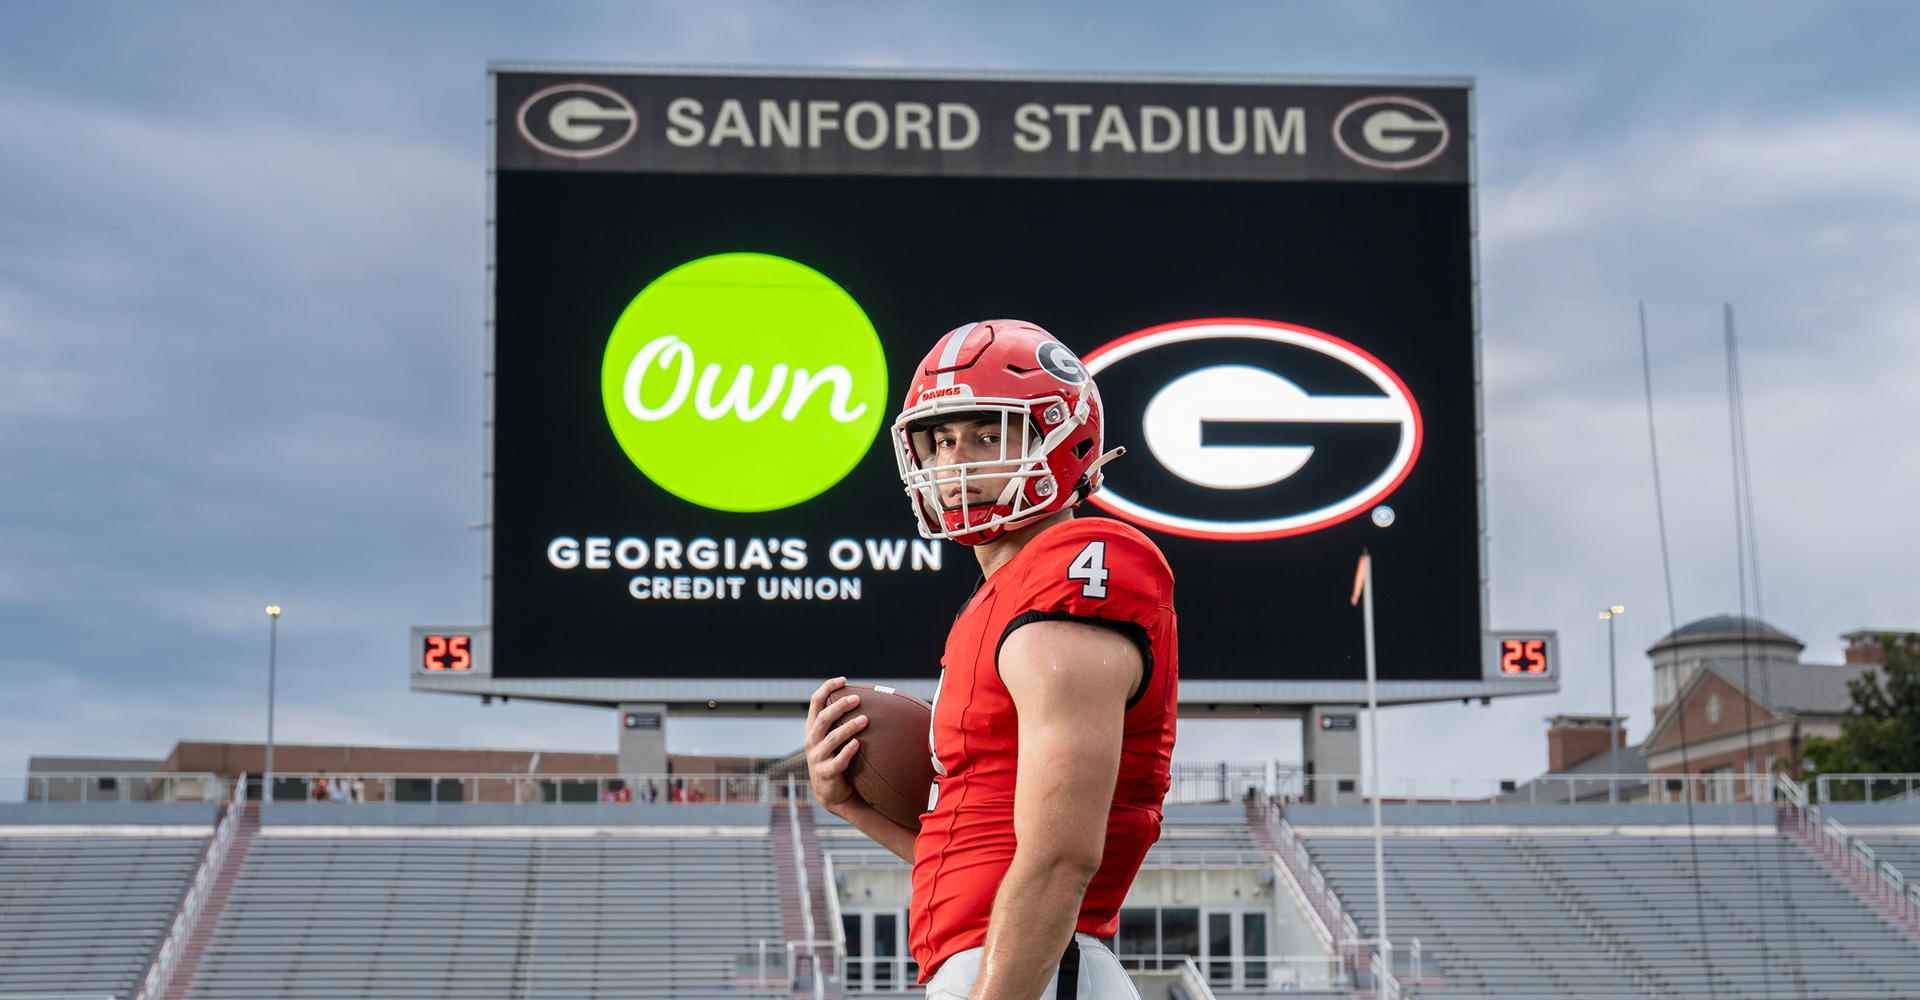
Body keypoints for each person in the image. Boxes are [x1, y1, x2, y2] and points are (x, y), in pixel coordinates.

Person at [807, 320, 1178, 1000]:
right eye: (941, 440)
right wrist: (858, 811)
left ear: (1064, 440)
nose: (954, 462)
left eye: (986, 435)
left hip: (1038, 968)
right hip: (1007, 961)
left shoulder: (1076, 572)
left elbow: (1061, 859)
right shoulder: (996, 600)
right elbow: (971, 863)